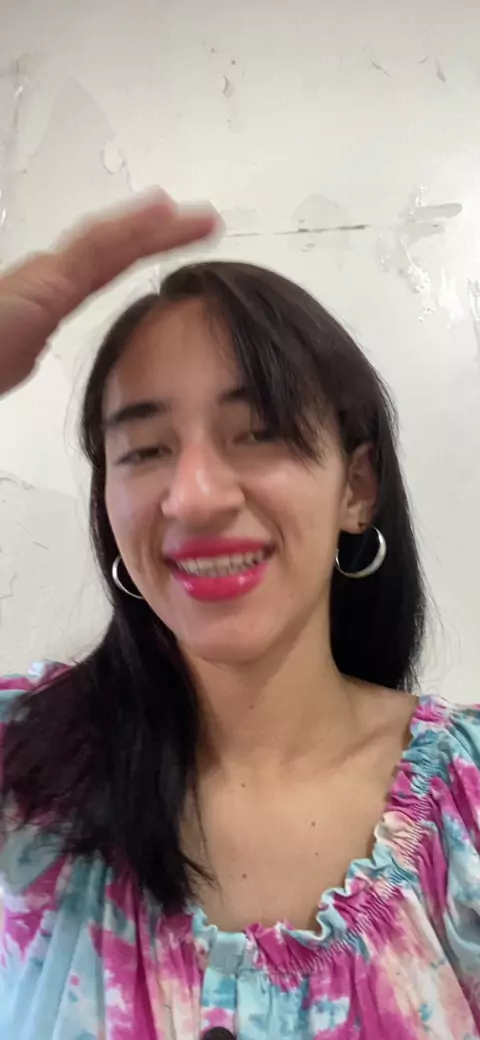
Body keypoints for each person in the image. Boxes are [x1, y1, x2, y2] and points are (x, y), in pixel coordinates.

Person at [0, 190, 479, 1040]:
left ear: (356, 487)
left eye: (258, 432)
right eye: (145, 449)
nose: (194, 496)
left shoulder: (466, 808)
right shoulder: (21, 774)